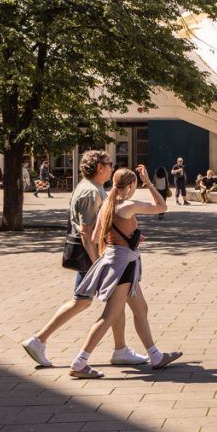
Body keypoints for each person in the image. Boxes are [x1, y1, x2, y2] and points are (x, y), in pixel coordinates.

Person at [21, 150, 147, 369]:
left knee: (102, 302)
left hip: (99, 255)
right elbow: (87, 233)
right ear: (100, 167)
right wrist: (99, 263)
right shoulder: (91, 192)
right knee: (88, 301)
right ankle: (41, 341)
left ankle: (120, 349)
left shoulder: (91, 188)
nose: (112, 167)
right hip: (95, 256)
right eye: (109, 163)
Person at [67, 165, 182, 378]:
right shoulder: (127, 205)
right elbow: (162, 206)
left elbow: (95, 238)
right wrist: (149, 182)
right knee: (109, 316)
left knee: (141, 309)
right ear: (131, 185)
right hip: (123, 266)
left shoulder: (107, 205)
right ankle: (79, 363)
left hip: (115, 262)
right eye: (136, 184)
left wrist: (126, 238)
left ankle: (155, 356)